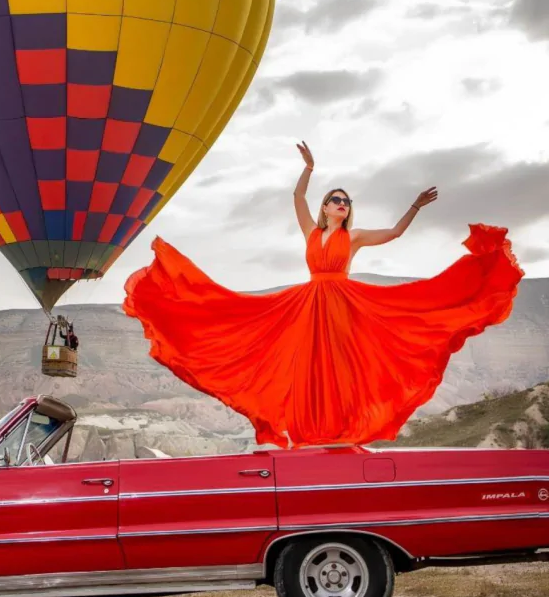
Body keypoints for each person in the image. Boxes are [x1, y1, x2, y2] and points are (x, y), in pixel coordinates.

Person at [122, 141, 523, 449]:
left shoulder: (355, 236)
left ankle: (345, 433)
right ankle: (311, 434)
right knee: (299, 362)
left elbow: (396, 233)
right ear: (325, 206)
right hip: (308, 303)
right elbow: (296, 199)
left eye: (346, 201)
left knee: (344, 366)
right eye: (336, 199)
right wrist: (308, 169)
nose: (342, 204)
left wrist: (414, 207)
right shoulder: (312, 232)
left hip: (343, 304)